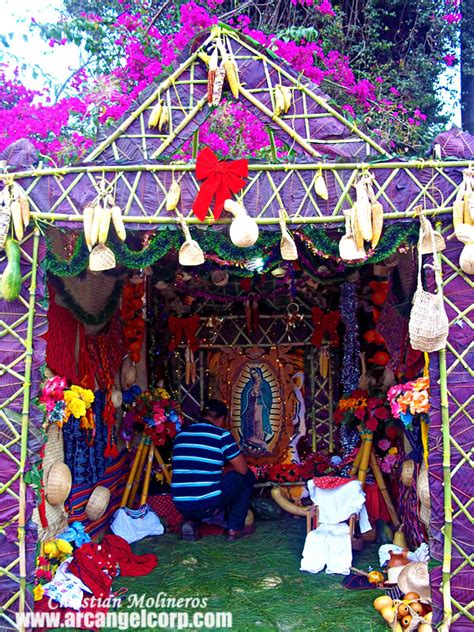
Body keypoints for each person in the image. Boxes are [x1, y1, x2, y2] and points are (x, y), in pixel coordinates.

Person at [171, 399, 255, 541]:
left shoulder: (181, 435)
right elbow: (242, 469)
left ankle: (190, 521)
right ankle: (235, 529)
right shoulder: (221, 435)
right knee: (247, 476)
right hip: (207, 505)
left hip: (180, 504)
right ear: (221, 418)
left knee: (201, 488)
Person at [240, 367, 273, 452]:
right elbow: (244, 396)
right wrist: (250, 393)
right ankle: (252, 443)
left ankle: (260, 443)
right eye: (252, 373)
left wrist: (260, 394)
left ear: (259, 373)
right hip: (250, 408)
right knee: (251, 424)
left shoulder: (265, 384)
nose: (254, 375)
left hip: (261, 407)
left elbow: (269, 397)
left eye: (255, 373)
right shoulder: (249, 384)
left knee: (260, 425)